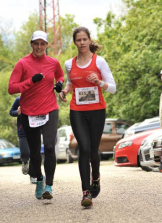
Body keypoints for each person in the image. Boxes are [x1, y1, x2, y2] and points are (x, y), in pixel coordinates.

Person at [59, 26, 116, 207]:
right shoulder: (69, 63)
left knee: (93, 150)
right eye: (78, 40)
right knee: (83, 148)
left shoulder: (99, 62)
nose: (82, 43)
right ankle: (86, 192)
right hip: (77, 110)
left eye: (84, 39)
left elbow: (113, 88)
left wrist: (99, 82)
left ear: (89, 40)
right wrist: (65, 91)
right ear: (74, 42)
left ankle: (96, 177)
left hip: (97, 110)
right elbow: (70, 82)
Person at [8, 30, 64, 200]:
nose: (39, 47)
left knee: (48, 147)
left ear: (47, 45)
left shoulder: (53, 63)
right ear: (31, 44)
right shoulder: (22, 63)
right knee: (34, 152)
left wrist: (60, 83)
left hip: (49, 109)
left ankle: (49, 186)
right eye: (36, 43)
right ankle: (39, 179)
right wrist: (30, 81)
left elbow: (60, 75)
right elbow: (11, 88)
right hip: (29, 112)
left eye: (43, 44)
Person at [9, 96, 30, 175]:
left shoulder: (36, 98)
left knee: (35, 154)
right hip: (22, 130)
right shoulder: (19, 99)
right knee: (25, 152)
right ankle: (25, 162)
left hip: (35, 129)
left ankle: (35, 175)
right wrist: (17, 112)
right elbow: (11, 111)